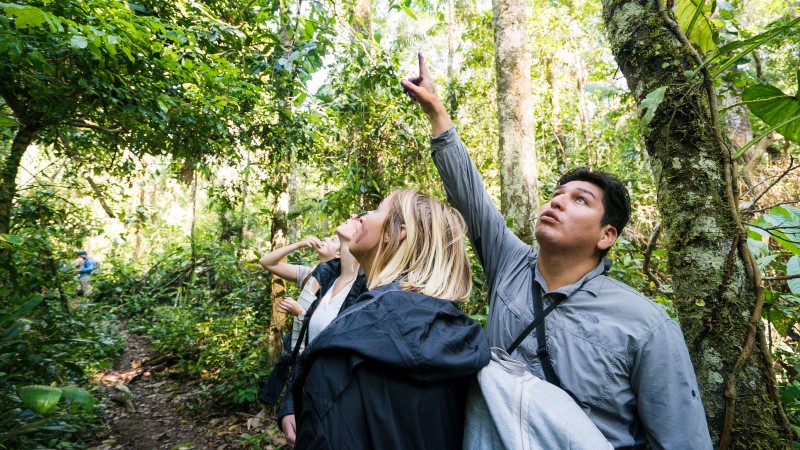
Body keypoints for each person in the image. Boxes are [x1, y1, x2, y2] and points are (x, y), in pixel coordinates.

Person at [401, 54, 712, 449]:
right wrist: (437, 114)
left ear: (607, 236)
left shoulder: (646, 326)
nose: (558, 202)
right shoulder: (509, 264)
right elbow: (472, 199)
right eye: (556, 195)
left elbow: (681, 438)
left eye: (580, 200)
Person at [289, 189, 490, 450]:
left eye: (374, 210)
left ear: (395, 233)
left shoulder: (348, 346)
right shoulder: (460, 335)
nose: (358, 217)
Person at [276, 218, 369, 445]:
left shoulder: (370, 289)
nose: (355, 216)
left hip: (337, 416)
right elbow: (305, 350)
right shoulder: (325, 276)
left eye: (362, 217)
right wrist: (289, 404)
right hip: (309, 403)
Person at [259, 235, 341, 349]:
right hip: (294, 357)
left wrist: (300, 313)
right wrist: (299, 244)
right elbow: (266, 262)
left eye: (333, 240)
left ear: (339, 254)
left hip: (310, 359)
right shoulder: (308, 275)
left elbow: (327, 330)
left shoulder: (338, 286)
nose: (325, 238)